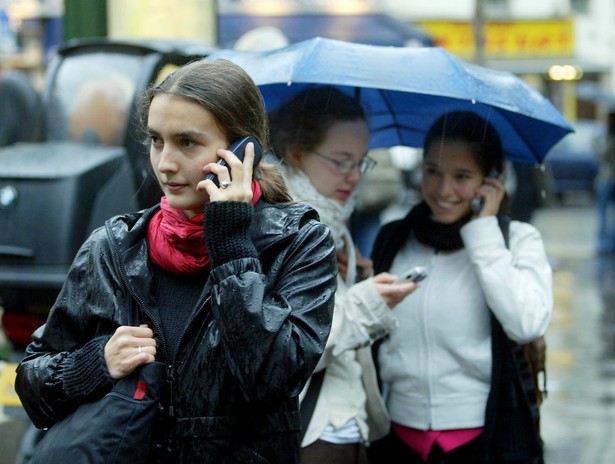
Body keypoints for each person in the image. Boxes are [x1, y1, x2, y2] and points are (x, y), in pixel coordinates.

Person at [14, 59, 338, 464]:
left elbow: (272, 379)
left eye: (187, 142)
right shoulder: (115, 247)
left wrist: (232, 246)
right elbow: (32, 387)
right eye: (155, 140)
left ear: (242, 151)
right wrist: (95, 362)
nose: (165, 163)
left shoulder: (297, 242)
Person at [368, 111, 552, 464]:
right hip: (397, 436)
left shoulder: (516, 241)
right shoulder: (395, 237)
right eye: (432, 171)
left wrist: (484, 235)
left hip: (484, 438)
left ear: (491, 179)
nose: (443, 189)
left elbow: (526, 323)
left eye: (462, 176)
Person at [268, 86, 417, 464]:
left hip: (348, 425)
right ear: (297, 155)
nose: (354, 177)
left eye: (362, 163)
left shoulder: (333, 222)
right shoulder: (278, 228)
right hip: (309, 434)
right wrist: (366, 302)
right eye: (341, 161)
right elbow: (287, 352)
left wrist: (357, 279)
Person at [596, 111, 615, 254]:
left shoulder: (611, 138)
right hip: (608, 179)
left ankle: (605, 243)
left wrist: (595, 143)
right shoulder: (609, 136)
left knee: (604, 213)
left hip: (608, 179)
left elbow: (604, 157)